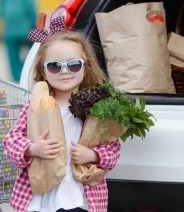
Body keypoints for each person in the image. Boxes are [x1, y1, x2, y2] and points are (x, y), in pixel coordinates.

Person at [3, 28, 121, 212]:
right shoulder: (36, 105)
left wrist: (92, 155)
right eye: (54, 66)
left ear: (85, 66)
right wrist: (33, 148)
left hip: (79, 193)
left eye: (73, 64)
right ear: (43, 70)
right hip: (43, 192)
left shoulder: (97, 108)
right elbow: (11, 140)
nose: (64, 72)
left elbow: (113, 148)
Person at [0, 0, 37, 82]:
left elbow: (2, 7)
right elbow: (30, 5)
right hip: (25, 26)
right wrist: (35, 19)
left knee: (12, 56)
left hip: (9, 27)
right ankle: (26, 73)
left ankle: (16, 77)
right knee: (31, 53)